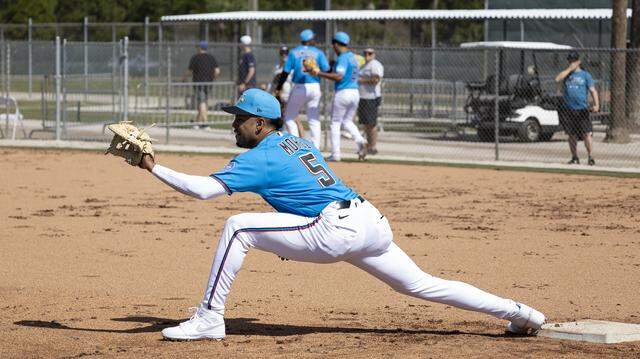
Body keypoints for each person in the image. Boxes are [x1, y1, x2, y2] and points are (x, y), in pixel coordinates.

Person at [134, 88, 545, 341]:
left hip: (334, 228)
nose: (234, 125)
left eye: (239, 119)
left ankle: (209, 317)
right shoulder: (297, 142)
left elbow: (204, 190)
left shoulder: (262, 156)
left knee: (238, 226)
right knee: (423, 284)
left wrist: (152, 166)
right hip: (370, 220)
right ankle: (520, 314)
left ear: (260, 124)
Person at [316, 32, 367, 161]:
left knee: (335, 123)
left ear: (337, 44)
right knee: (347, 121)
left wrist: (318, 73)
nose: (333, 47)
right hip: (355, 93)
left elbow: (339, 76)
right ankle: (361, 140)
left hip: (343, 92)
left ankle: (336, 154)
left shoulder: (343, 57)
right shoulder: (352, 57)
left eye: (334, 45)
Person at [276, 29, 330, 147]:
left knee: (289, 117)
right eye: (313, 38)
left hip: (299, 87)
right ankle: (316, 148)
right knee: (313, 118)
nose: (314, 40)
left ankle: (295, 146)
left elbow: (285, 72)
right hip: (315, 86)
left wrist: (278, 87)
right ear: (310, 40)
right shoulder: (318, 52)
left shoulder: (294, 52)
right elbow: (327, 70)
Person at [555, 51, 599, 165]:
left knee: (587, 134)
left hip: (582, 109)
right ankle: (575, 157)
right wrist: (569, 69)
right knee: (571, 135)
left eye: (574, 61)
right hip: (569, 109)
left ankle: (590, 157)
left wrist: (597, 105)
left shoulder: (585, 75)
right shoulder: (566, 74)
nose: (572, 63)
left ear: (578, 61)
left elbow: (593, 91)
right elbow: (557, 79)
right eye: (570, 61)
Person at [268, 45, 304, 137]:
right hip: (279, 95)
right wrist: (270, 92)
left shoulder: (291, 69)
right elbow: (272, 82)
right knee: (282, 118)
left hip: (290, 95)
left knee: (295, 118)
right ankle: (283, 137)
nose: (284, 56)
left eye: (286, 54)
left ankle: (303, 140)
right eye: (282, 53)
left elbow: (294, 82)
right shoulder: (277, 68)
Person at [182, 41, 220, 125]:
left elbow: (189, 71)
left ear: (200, 48)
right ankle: (197, 122)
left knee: (201, 102)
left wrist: (184, 78)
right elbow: (217, 71)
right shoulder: (211, 58)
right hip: (209, 84)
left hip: (198, 84)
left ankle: (205, 123)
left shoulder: (195, 57)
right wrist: (212, 78)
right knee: (204, 101)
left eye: (197, 47)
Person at [357, 48, 384, 155]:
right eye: (365, 53)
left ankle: (373, 147)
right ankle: (368, 146)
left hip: (371, 98)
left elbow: (375, 80)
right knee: (365, 123)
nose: (367, 55)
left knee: (371, 123)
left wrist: (361, 80)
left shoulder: (375, 65)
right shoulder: (363, 65)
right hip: (363, 97)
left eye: (370, 53)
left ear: (374, 54)